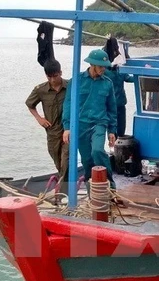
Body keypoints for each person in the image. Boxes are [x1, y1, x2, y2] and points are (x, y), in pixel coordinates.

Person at [62, 49, 117, 192]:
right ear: (92, 64)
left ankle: (111, 186)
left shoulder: (108, 83)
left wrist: (112, 130)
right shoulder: (76, 81)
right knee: (87, 160)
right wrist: (67, 127)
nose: (103, 69)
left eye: (105, 66)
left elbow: (112, 108)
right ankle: (91, 190)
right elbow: (68, 104)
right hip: (80, 125)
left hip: (99, 123)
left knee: (97, 151)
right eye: (100, 66)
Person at [25, 59, 69, 192]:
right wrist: (39, 119)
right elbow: (30, 104)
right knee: (59, 164)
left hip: (68, 131)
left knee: (66, 161)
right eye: (49, 77)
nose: (53, 80)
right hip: (52, 133)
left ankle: (62, 193)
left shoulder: (70, 86)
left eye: (55, 76)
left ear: (60, 73)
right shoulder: (40, 90)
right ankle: (65, 189)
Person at [103, 37, 134, 137]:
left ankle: (116, 143)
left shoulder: (119, 71)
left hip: (120, 104)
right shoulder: (105, 72)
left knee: (120, 129)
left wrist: (142, 75)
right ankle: (113, 144)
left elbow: (128, 78)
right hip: (110, 104)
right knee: (112, 129)